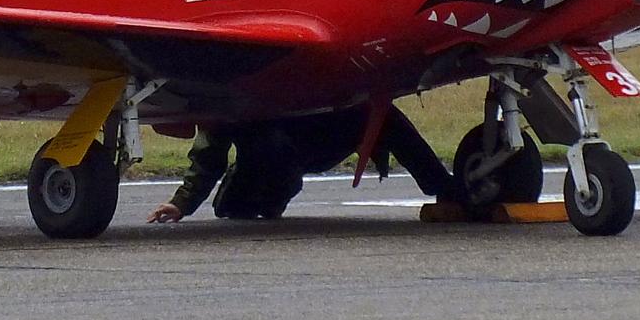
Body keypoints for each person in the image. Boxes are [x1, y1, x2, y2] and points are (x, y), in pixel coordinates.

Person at [148, 105, 459, 222]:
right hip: (276, 150)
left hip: (328, 135)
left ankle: (449, 187)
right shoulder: (237, 88)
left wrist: (446, 189)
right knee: (234, 208)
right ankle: (268, 193)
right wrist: (182, 203)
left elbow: (386, 119)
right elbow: (211, 146)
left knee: (381, 114)